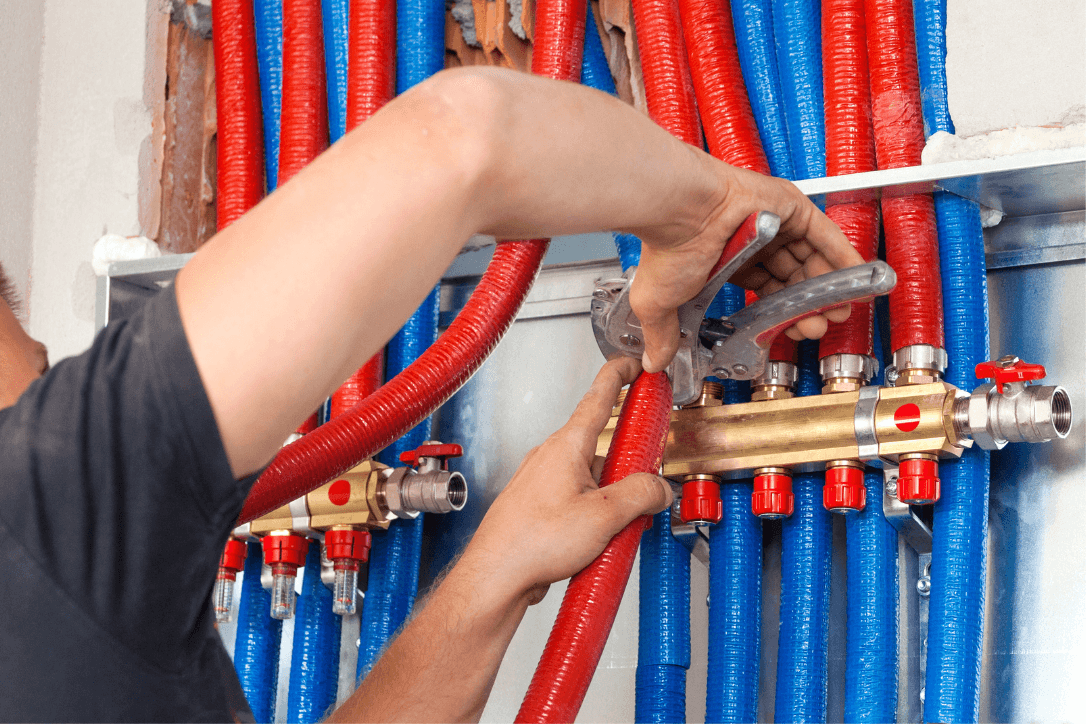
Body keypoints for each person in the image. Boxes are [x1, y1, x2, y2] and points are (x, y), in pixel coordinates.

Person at [0, 66, 861, 722]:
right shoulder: (47, 499)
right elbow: (463, 134)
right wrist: (704, 211)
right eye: (40, 380)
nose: (50, 400)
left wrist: (494, 574)